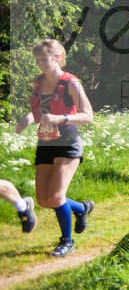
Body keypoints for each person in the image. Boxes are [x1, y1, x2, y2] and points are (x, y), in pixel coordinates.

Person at [14, 39, 95, 257]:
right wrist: (27, 119)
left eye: (44, 59)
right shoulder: (38, 82)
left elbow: (88, 116)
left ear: (58, 57)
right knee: (43, 199)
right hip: (45, 142)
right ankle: (81, 208)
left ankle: (67, 242)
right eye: (37, 59)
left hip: (68, 141)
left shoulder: (71, 82)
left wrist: (61, 118)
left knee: (57, 196)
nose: (40, 63)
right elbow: (37, 110)